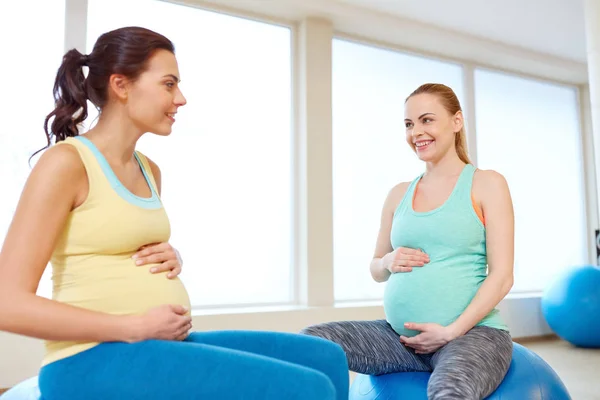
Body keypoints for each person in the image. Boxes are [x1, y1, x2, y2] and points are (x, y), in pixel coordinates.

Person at [0, 26, 348, 400]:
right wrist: (132, 326)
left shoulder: (149, 170)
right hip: (89, 358)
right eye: (169, 84)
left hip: (154, 344)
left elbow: (114, 243)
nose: (180, 98)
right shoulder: (66, 163)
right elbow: (8, 304)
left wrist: (170, 255)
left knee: (326, 357)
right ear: (121, 85)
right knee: (308, 388)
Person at [302, 83, 515, 400]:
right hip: (399, 339)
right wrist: (387, 262)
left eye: (426, 120)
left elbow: (502, 276)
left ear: (456, 122)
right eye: (409, 124)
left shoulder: (487, 184)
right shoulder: (398, 193)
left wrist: (450, 332)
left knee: (449, 392)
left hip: (470, 335)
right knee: (311, 343)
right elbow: (376, 268)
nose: (416, 132)